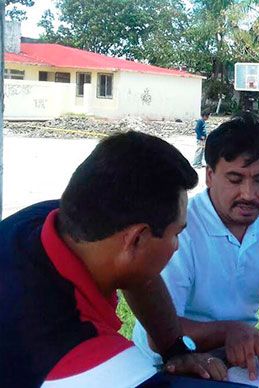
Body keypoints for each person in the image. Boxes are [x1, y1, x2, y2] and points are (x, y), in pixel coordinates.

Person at [0, 132, 229, 386]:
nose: (176, 246)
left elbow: (138, 274)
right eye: (176, 233)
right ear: (137, 239)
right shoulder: (91, 361)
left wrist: (175, 348)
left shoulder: (46, 219)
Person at [133, 112, 259, 381]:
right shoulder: (181, 227)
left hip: (236, 357)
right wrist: (230, 331)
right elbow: (160, 332)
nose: (249, 194)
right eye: (235, 179)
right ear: (210, 176)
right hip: (168, 362)